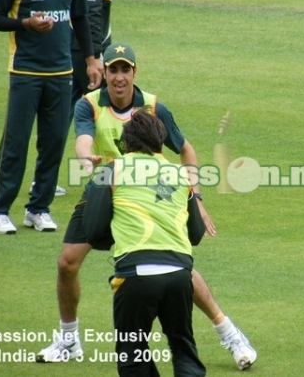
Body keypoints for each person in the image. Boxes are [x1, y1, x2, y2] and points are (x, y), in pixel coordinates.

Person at [36, 43, 257, 370]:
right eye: (114, 70)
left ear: (134, 73)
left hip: (149, 189)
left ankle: (227, 331)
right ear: (105, 73)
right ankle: (68, 340)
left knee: (170, 258)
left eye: (126, 70)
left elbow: (187, 151)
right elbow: (82, 138)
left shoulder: (154, 107)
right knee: (67, 263)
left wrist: (196, 197)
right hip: (105, 188)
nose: (120, 77)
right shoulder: (89, 104)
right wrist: (86, 157)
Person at [0, 0, 103, 234]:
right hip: (25, 72)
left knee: (52, 144)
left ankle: (38, 209)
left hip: (62, 73)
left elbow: (79, 18)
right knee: (16, 143)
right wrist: (25, 23)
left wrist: (90, 60)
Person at [81, 108, 207, 376]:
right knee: (183, 349)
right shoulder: (181, 175)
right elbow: (195, 233)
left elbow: (91, 229)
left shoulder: (111, 170)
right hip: (179, 274)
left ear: (126, 143)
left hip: (135, 274)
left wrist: (118, 235)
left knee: (133, 356)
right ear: (161, 141)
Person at [29, 0, 114, 198]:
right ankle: (109, 176)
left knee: (63, 114)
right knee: (106, 109)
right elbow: (90, 13)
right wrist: (96, 56)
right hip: (83, 53)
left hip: (67, 50)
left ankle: (43, 180)